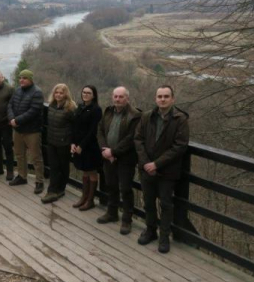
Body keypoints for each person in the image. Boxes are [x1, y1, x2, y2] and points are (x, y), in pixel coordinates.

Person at [134, 85, 190, 254]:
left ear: (173, 99)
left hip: (167, 171)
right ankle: (150, 230)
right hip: (146, 169)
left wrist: (156, 164)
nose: (163, 99)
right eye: (160, 96)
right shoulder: (146, 117)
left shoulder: (180, 119)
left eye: (166, 96)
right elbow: (138, 139)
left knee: (165, 204)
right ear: (155, 99)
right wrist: (145, 163)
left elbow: (179, 146)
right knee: (148, 202)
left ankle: (164, 236)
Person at [97, 86, 142, 233]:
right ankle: (112, 213)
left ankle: (127, 220)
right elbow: (101, 131)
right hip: (108, 156)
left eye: (121, 97)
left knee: (125, 188)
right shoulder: (108, 111)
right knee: (111, 185)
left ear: (127, 98)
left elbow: (131, 138)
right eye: (115, 96)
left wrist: (113, 152)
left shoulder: (135, 115)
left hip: (125, 159)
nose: (117, 99)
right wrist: (104, 149)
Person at [7, 69, 46, 194]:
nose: (21, 80)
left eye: (24, 78)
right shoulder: (17, 90)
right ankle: (22, 176)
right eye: (20, 78)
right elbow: (10, 105)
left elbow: (34, 111)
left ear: (30, 79)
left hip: (32, 131)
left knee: (36, 157)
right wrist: (11, 118)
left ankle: (39, 181)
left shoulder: (37, 92)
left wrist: (16, 120)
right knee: (19, 154)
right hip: (18, 130)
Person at [42, 84, 77, 203]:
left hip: (64, 142)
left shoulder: (70, 108)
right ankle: (52, 190)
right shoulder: (51, 105)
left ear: (66, 94)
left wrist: (73, 142)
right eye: (56, 92)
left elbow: (75, 127)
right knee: (53, 167)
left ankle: (60, 189)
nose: (58, 95)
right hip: (52, 141)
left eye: (61, 93)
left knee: (63, 167)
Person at [70, 85, 103, 211]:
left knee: (92, 171)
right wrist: (73, 143)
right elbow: (74, 126)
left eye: (88, 93)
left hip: (90, 146)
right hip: (78, 145)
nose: (85, 94)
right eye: (84, 92)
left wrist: (82, 146)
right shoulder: (80, 107)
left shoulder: (96, 110)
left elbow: (93, 130)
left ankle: (90, 200)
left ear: (93, 95)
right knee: (84, 170)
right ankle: (84, 197)